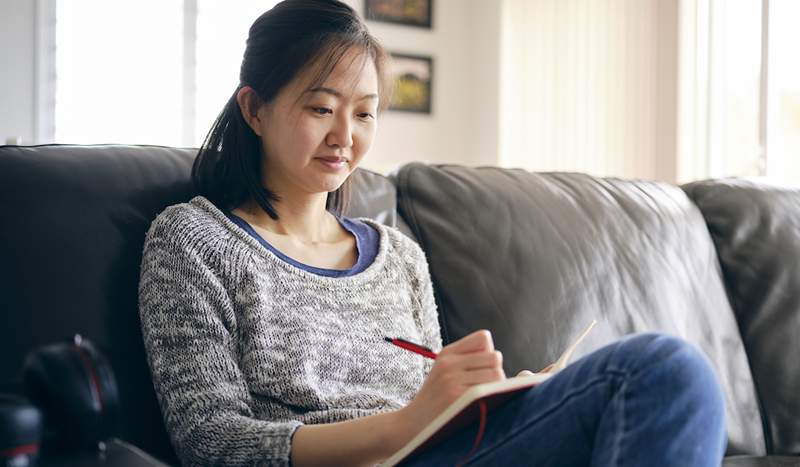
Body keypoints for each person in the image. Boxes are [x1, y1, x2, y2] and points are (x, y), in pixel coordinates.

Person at [138, 1, 727, 465]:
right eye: (322, 108)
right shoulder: (193, 242)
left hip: (452, 453)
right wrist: (407, 423)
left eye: (364, 113)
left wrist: (486, 402)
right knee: (659, 370)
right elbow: (212, 442)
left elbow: (436, 418)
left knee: (671, 379)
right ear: (255, 109)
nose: (346, 135)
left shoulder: (399, 257)